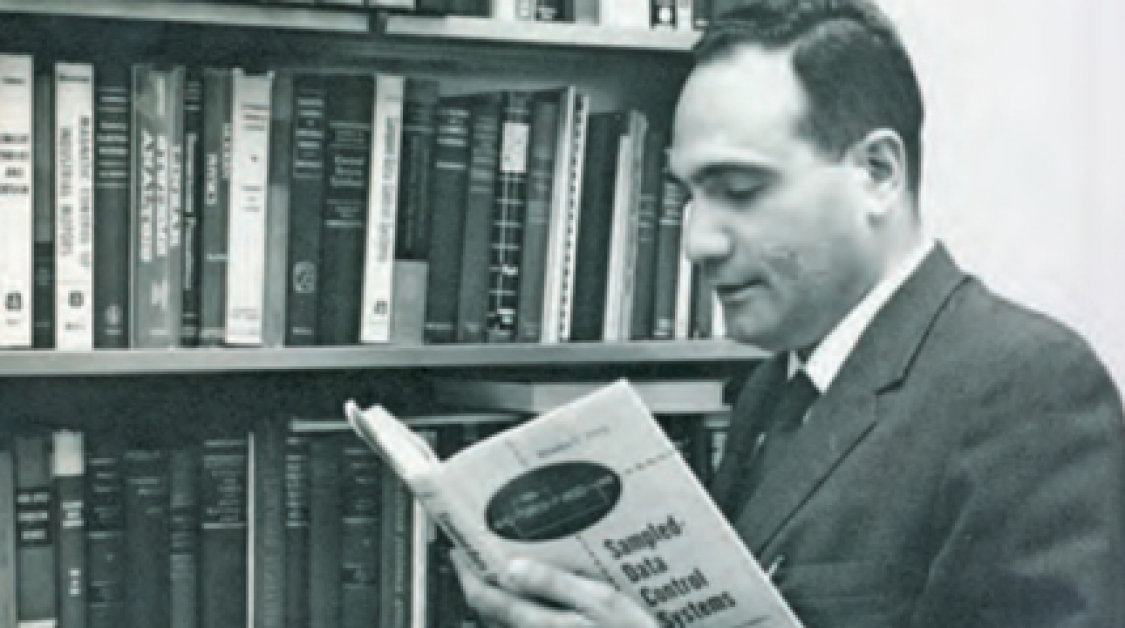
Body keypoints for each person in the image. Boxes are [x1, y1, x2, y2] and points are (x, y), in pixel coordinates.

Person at [452, 1, 1125, 626]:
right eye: (689, 194)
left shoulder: (1029, 389)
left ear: (878, 172)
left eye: (740, 189)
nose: (697, 243)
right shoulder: (773, 389)